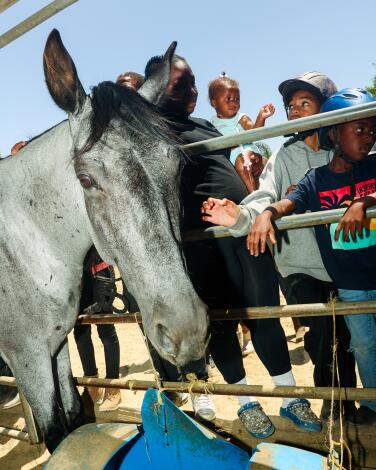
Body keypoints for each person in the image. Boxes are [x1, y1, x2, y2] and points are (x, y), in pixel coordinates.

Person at [143, 54, 321, 438]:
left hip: (242, 230)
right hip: (201, 240)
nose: (192, 92)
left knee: (264, 311)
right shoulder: (147, 132)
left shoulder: (201, 123)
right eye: (180, 85)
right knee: (221, 321)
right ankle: (246, 403)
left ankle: (290, 396)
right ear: (155, 86)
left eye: (192, 83)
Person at [201, 72, 357, 420]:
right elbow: (264, 196)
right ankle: (335, 406)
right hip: (301, 264)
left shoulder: (348, 151)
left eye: (305, 103)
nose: (295, 112)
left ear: (327, 108)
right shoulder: (285, 156)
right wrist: (239, 216)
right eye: (291, 106)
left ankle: (350, 405)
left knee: (351, 336)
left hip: (347, 261)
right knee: (322, 333)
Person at [247, 88, 376, 426]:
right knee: (347, 342)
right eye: (358, 130)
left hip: (362, 272)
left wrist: (365, 202)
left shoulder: (371, 161)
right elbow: (280, 198)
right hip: (332, 277)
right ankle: (356, 403)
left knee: (359, 340)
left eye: (372, 129)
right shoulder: (305, 171)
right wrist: (265, 214)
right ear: (333, 132)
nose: (367, 137)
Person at [73, 247, 122, 412]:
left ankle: (113, 386)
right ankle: (92, 384)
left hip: (99, 269)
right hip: (76, 273)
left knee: (106, 330)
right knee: (80, 333)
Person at [209, 74, 274, 192]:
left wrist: (261, 117)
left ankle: (253, 196)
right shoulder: (211, 123)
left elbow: (254, 130)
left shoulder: (241, 117)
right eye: (228, 99)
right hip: (229, 158)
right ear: (214, 103)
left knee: (243, 163)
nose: (233, 103)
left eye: (237, 99)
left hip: (246, 151)